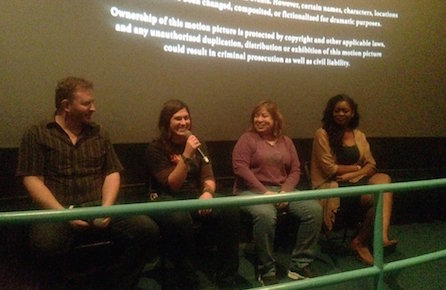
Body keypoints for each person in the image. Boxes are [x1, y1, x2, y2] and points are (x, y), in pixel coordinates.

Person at [16, 77, 160, 289]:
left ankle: (119, 285)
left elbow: (112, 173)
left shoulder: (99, 133)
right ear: (66, 105)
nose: (94, 108)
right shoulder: (37, 134)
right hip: (57, 211)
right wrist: (63, 214)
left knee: (147, 231)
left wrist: (106, 208)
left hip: (98, 206)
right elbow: (32, 179)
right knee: (45, 245)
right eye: (86, 104)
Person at [145, 99, 240, 290]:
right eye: (177, 118)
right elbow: (173, 185)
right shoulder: (155, 148)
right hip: (166, 199)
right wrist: (186, 156)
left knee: (230, 208)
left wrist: (207, 194)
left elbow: (209, 176)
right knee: (179, 219)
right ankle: (190, 280)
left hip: (194, 197)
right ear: (167, 123)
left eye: (186, 118)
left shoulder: (199, 143)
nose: (183, 123)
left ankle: (227, 277)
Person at [232, 100, 322, 286]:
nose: (259, 119)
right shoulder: (247, 139)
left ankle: (300, 265)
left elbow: (295, 169)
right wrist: (264, 192)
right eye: (256, 115)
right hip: (250, 191)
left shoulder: (286, 141)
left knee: (314, 210)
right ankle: (266, 270)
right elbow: (240, 168)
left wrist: (284, 192)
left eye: (264, 115)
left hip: (280, 190)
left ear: (275, 119)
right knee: (266, 214)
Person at [311, 94, 397, 266]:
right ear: (331, 112)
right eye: (337, 110)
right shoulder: (322, 134)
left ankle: (379, 237)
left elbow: (371, 164)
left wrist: (352, 174)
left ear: (352, 113)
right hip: (334, 185)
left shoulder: (359, 135)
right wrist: (356, 168)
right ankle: (361, 243)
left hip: (356, 181)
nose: (341, 114)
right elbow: (330, 169)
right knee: (376, 199)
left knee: (384, 181)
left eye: (345, 110)